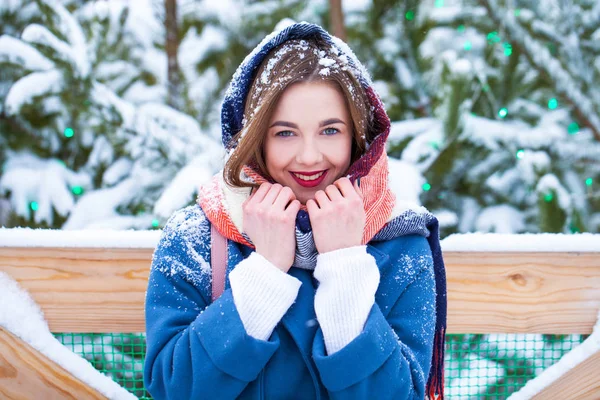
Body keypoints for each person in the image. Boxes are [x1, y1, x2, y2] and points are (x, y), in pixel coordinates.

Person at [144, 22, 447, 400]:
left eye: (330, 130)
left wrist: (344, 266)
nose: (308, 156)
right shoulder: (195, 240)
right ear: (255, 139)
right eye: (285, 132)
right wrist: (265, 271)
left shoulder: (402, 245)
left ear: (359, 135)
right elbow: (175, 389)